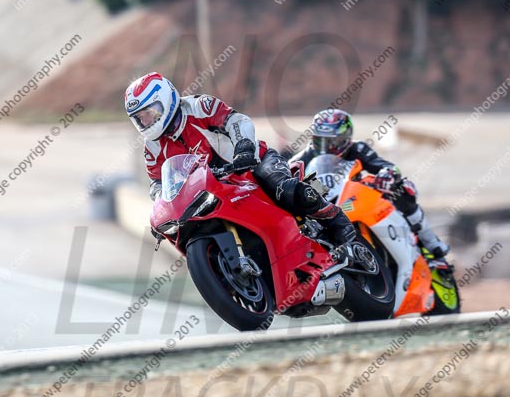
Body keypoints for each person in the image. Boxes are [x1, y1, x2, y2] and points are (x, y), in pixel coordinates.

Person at [124, 72, 358, 260]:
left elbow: (236, 121)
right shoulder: (151, 147)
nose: (146, 122)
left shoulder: (198, 106)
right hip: (210, 189)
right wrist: (162, 207)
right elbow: (158, 184)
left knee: (285, 189)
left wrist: (244, 148)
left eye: (149, 113)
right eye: (140, 118)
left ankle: (337, 221)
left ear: (166, 99)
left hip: (252, 163)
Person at [289, 108, 450, 258]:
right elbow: (285, 178)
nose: (327, 148)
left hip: (354, 199)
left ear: (346, 137)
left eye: (333, 141)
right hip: (320, 205)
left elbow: (387, 166)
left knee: (405, 188)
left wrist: (387, 175)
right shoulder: (302, 158)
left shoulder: (358, 148)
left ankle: (430, 241)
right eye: (320, 140)